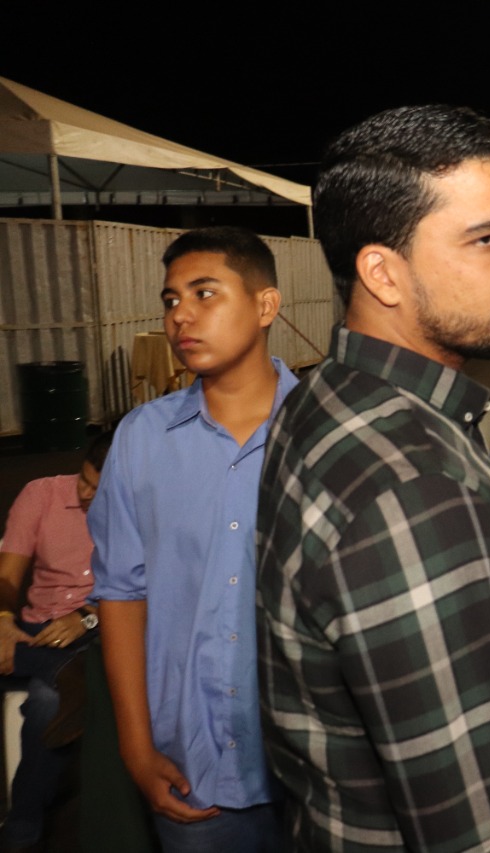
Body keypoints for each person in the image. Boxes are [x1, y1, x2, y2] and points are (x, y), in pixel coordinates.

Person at [255, 105, 490, 853]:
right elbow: (475, 837)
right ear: (383, 273)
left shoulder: (326, 397)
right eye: (488, 238)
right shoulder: (414, 484)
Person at [88, 226, 297, 851]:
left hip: (316, 771)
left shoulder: (322, 429)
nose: (181, 315)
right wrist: (136, 747)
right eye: (171, 299)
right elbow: (121, 593)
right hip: (191, 770)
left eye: (205, 294)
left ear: (265, 305)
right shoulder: (141, 438)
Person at [0, 430, 112, 851]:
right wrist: (3, 619)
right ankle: (64, 672)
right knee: (60, 681)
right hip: (33, 631)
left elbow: (147, 593)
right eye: (83, 480)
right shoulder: (42, 493)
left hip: (95, 631)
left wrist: (86, 618)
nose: (84, 493)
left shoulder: (140, 509)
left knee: (49, 699)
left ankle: (19, 833)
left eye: (97, 490)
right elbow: (7, 578)